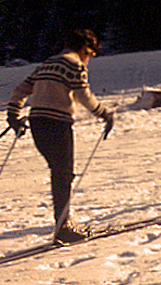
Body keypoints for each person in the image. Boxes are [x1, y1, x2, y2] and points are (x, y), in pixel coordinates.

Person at [6, 29, 115, 244]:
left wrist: (13, 115)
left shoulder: (46, 64)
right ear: (85, 49)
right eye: (90, 55)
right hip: (58, 124)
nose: (89, 60)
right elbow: (83, 95)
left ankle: (64, 221)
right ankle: (63, 227)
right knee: (63, 174)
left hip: (37, 122)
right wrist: (104, 114)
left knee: (59, 172)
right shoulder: (75, 64)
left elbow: (20, 90)